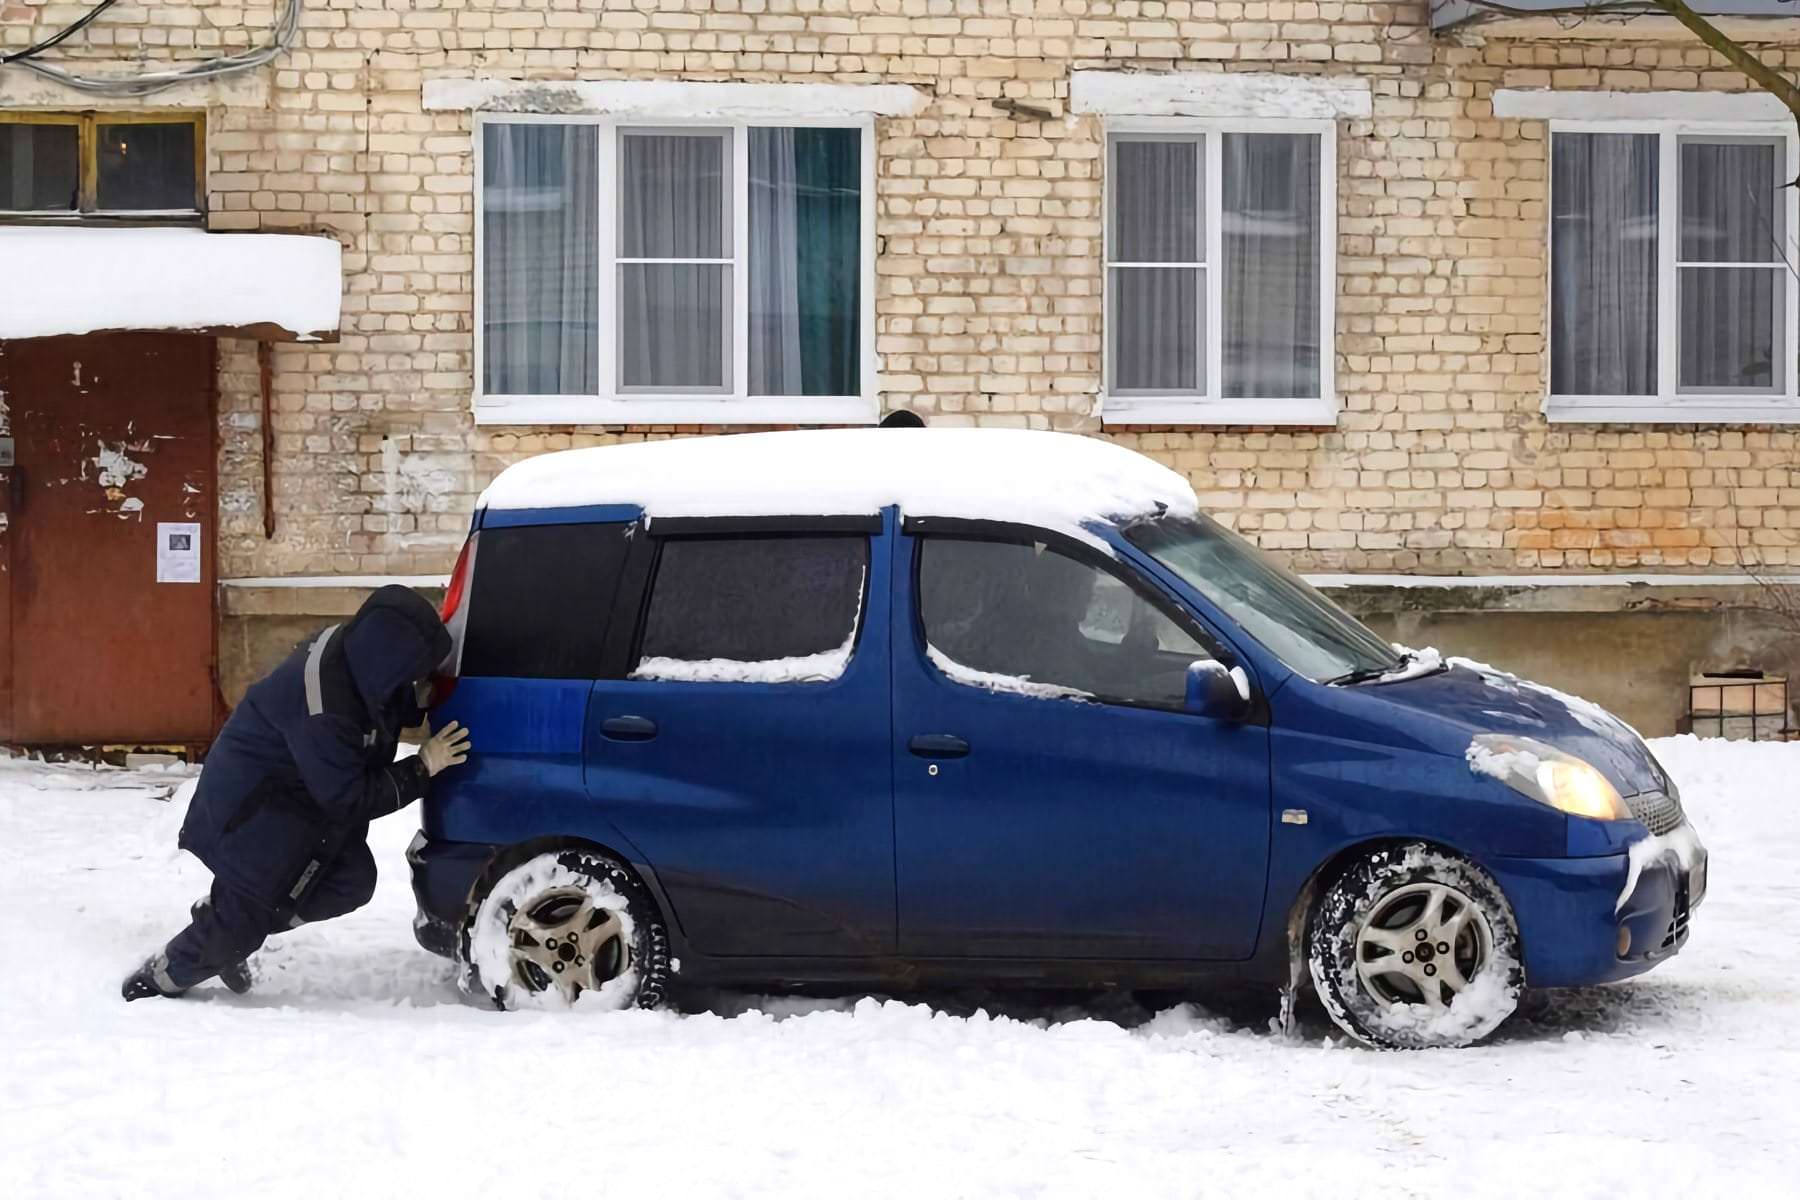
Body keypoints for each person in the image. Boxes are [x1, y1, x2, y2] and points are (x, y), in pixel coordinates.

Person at [122, 585, 473, 1000]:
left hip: (302, 805)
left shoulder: (359, 659)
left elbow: (379, 703)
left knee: (350, 881)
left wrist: (419, 699)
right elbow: (349, 797)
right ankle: (158, 978)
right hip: (255, 813)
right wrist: (422, 767)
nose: (417, 679)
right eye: (415, 671)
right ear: (390, 659)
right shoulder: (325, 708)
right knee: (240, 928)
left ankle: (222, 917)